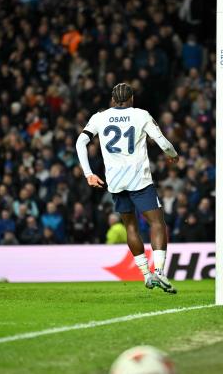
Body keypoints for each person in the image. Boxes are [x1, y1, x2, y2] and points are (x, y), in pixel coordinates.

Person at [76, 83, 179, 293]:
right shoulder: (141, 115)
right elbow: (163, 143)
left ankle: (146, 276)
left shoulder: (99, 117)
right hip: (139, 180)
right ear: (131, 98)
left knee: (131, 227)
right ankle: (159, 270)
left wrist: (89, 174)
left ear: (113, 99)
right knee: (157, 223)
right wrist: (173, 156)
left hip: (115, 182)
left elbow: (80, 142)